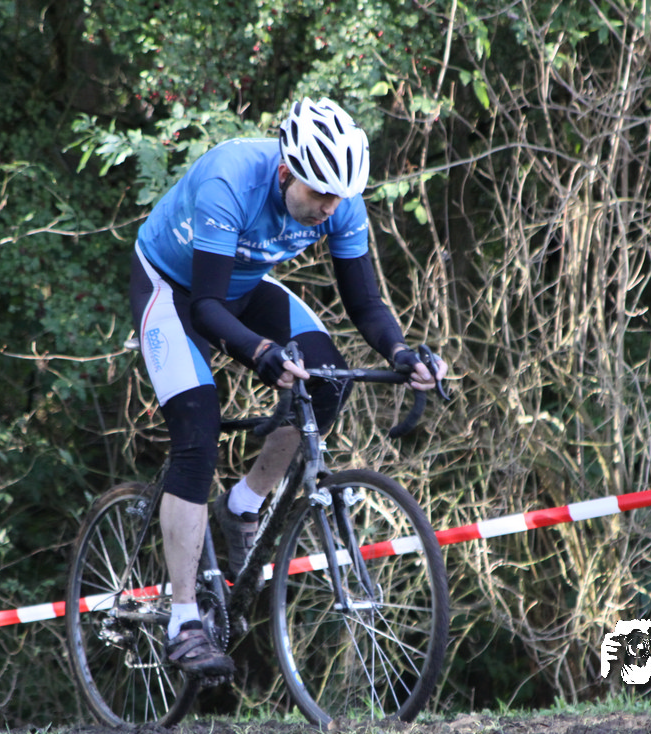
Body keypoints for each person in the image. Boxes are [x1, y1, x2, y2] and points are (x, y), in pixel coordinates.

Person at [128, 97, 448, 678]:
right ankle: (183, 620)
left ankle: (244, 504)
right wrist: (259, 353)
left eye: (338, 197)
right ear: (285, 172)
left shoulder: (340, 203)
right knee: (198, 431)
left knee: (326, 382)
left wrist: (402, 354)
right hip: (173, 289)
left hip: (246, 286)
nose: (329, 208)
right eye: (319, 194)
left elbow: (364, 302)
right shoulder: (231, 179)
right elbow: (205, 308)